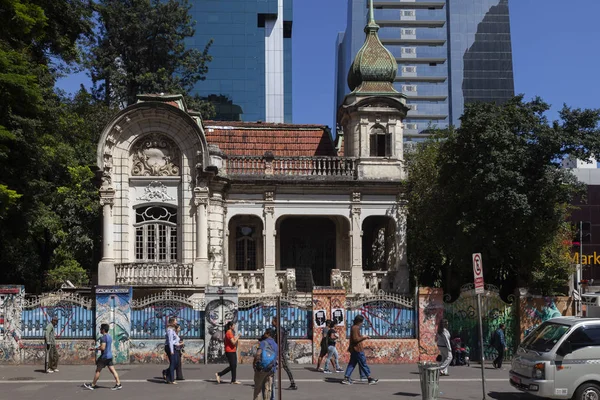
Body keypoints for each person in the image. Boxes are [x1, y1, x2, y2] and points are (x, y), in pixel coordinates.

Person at [341, 315, 378, 385]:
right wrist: (364, 337)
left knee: (352, 364)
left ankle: (346, 377)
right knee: (363, 363)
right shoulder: (356, 328)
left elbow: (356, 338)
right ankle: (369, 378)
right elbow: (356, 339)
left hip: (355, 349)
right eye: (361, 322)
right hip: (358, 349)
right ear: (359, 321)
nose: (362, 323)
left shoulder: (354, 327)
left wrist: (362, 337)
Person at [83, 323, 122, 390]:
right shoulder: (109, 337)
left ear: (103, 330)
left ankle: (93, 385)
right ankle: (118, 384)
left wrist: (95, 348)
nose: (100, 330)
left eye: (101, 328)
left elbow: (103, 348)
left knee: (98, 370)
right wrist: (97, 347)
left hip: (104, 357)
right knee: (113, 370)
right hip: (109, 356)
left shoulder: (103, 338)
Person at [271, 317, 297, 390]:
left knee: (285, 367)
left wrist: (277, 353)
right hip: (280, 351)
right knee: (277, 367)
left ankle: (293, 384)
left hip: (280, 352)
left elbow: (279, 342)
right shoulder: (279, 329)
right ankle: (272, 383)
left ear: (276, 322)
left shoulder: (279, 330)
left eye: (272, 321)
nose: (271, 323)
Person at [253, 328, 278, 400]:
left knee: (258, 388)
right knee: (268, 389)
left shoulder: (263, 342)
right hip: (271, 369)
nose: (264, 334)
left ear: (268, 334)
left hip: (261, 368)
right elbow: (276, 358)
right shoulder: (276, 345)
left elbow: (258, 354)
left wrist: (254, 363)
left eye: (265, 333)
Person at [162, 317, 181, 384]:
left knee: (175, 363)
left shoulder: (173, 330)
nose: (176, 322)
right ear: (172, 322)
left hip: (174, 347)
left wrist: (178, 344)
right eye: (175, 321)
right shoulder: (169, 330)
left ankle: (166, 373)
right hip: (170, 347)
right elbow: (170, 341)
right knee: (173, 363)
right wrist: (171, 350)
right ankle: (171, 379)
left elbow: (176, 339)